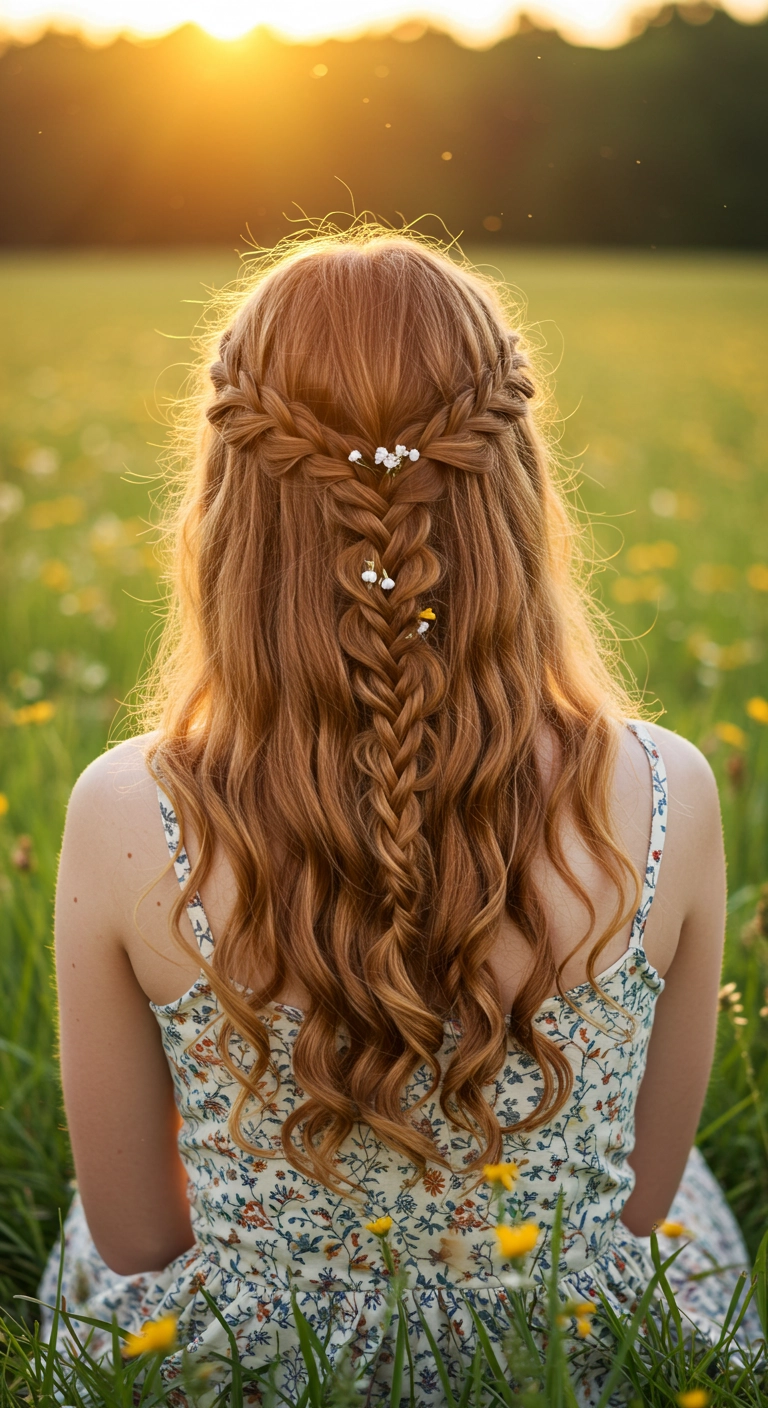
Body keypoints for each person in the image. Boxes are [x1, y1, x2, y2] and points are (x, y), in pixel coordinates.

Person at [41, 232, 755, 1405]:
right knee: (697, 1212)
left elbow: (131, 1239)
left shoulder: (128, 810)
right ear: (511, 485)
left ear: (232, 504)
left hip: (252, 1375)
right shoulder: (669, 787)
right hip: (562, 1363)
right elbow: (640, 1196)